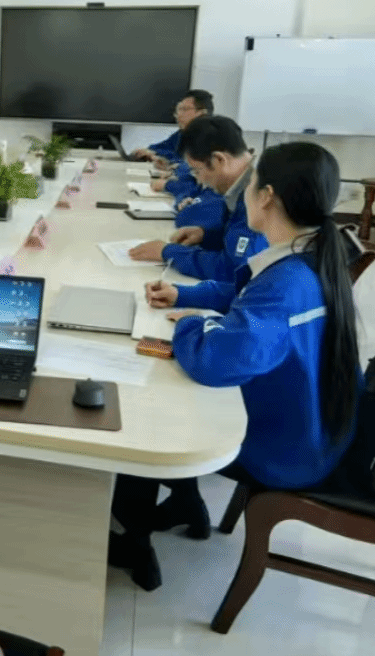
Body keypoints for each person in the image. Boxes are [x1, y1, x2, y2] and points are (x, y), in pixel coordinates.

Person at [108, 142, 362, 591]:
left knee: (143, 409)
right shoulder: (307, 257)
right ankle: (185, 503)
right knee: (167, 390)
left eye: (252, 182)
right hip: (314, 421)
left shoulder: (287, 283)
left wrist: (193, 324)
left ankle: (135, 540)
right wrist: (187, 295)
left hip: (289, 448)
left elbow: (216, 362)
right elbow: (247, 297)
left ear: (266, 196)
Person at [128, 115, 267, 280]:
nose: (200, 181)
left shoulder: (257, 195)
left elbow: (234, 270)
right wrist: (206, 235)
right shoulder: (244, 183)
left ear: (219, 160)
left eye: (197, 171)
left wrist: (169, 252)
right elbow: (237, 240)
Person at [131, 89, 214, 164]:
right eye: (178, 109)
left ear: (202, 113)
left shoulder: (211, 138)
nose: (178, 115)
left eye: (184, 109)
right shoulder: (182, 133)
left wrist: (158, 155)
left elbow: (189, 164)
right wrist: (146, 151)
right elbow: (163, 146)